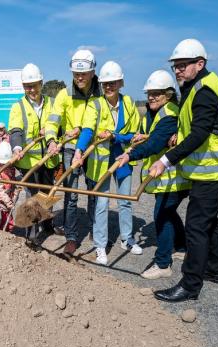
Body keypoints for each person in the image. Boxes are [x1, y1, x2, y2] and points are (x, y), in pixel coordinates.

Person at [149, 39, 218, 302]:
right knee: (208, 219)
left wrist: (165, 160)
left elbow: (200, 133)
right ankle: (215, 269)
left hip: (217, 168)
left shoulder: (204, 91)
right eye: (175, 66)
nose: (178, 70)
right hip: (212, 168)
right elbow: (196, 125)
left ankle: (189, 285)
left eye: (183, 65)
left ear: (200, 64)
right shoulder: (197, 86)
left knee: (196, 224)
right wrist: (179, 133)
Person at [117, 70, 191, 278]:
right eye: (149, 92)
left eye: (156, 93)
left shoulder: (169, 114)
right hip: (164, 178)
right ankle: (182, 247)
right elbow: (149, 137)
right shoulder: (153, 112)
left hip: (172, 176)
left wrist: (130, 156)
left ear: (167, 94)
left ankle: (163, 264)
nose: (151, 96)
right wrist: (139, 137)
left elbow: (156, 143)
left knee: (162, 215)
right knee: (169, 213)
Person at [74, 61, 141, 265]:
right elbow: (87, 130)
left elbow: (134, 134)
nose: (109, 87)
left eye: (113, 83)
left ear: (121, 82)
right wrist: (79, 151)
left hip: (122, 158)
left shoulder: (129, 103)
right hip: (101, 161)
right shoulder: (96, 104)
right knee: (101, 204)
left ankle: (127, 238)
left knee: (125, 200)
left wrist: (114, 136)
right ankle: (100, 245)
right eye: (105, 84)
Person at [45, 49, 101, 256]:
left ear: (93, 72)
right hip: (70, 148)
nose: (79, 77)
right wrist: (52, 140)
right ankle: (71, 236)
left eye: (83, 73)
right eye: (76, 74)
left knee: (95, 190)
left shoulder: (101, 93)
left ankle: (98, 231)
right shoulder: (64, 94)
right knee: (72, 193)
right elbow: (53, 120)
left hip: (95, 148)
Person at [9, 63, 58, 241]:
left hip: (48, 159)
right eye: (27, 86)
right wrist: (17, 148)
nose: (31, 89)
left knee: (47, 193)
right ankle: (31, 233)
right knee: (31, 197)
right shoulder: (18, 107)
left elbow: (59, 125)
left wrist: (52, 132)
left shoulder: (52, 103)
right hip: (28, 161)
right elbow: (15, 131)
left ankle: (47, 225)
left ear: (41, 83)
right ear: (23, 87)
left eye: (34, 85)